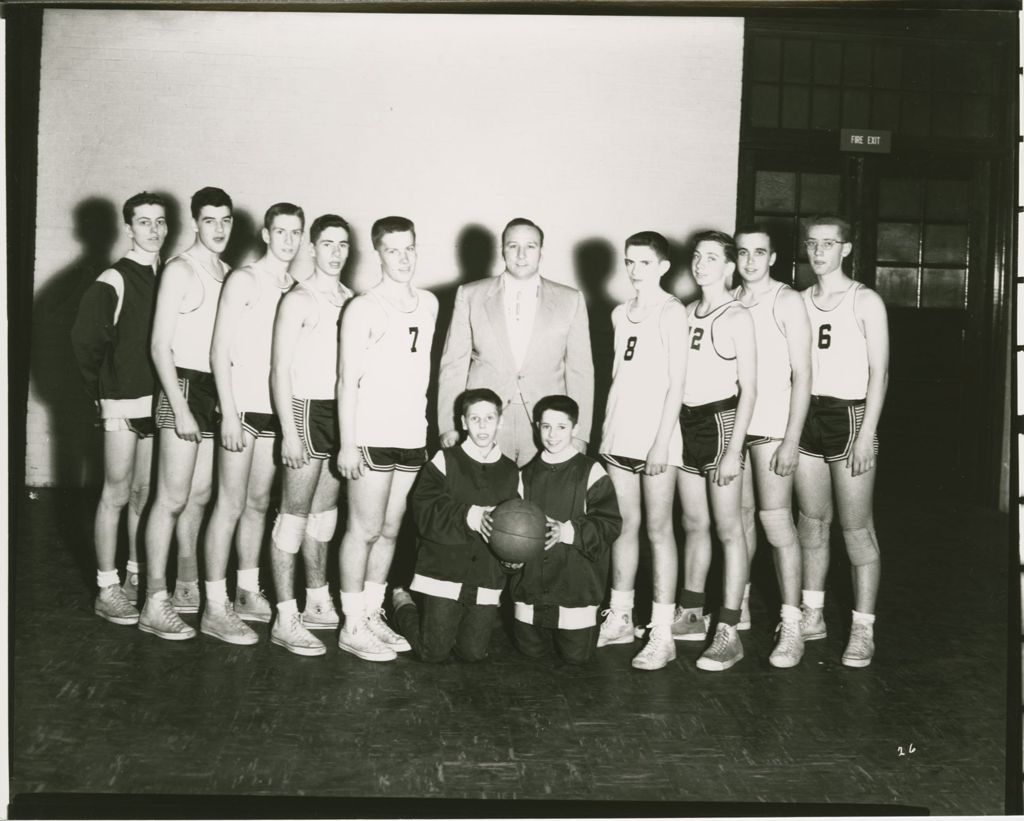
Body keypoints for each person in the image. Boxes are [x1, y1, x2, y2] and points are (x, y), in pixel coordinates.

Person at [199, 203, 304, 645]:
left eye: (295, 232)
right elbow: (218, 350)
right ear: (265, 234)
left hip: (275, 413)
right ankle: (214, 605)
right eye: (280, 231)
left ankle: (245, 589)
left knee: (259, 505)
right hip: (240, 410)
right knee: (229, 504)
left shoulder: (299, 288)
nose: (288, 240)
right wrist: (229, 410)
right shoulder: (244, 279)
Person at [336, 216, 438, 661]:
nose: (403, 258)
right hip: (371, 434)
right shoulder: (363, 306)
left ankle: (374, 611)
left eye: (409, 248)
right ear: (377, 253)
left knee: (392, 529)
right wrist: (347, 442)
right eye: (394, 250)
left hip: (411, 434)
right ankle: (351, 621)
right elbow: (345, 381)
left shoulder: (431, 303)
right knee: (364, 528)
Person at [795, 215, 888, 668]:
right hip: (807, 415)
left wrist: (867, 433)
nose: (819, 252)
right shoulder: (797, 300)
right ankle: (812, 614)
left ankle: (862, 628)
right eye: (812, 243)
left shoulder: (864, 300)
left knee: (857, 530)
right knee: (811, 522)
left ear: (846, 249)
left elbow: (880, 372)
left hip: (849, 417)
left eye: (829, 244)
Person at [140, 187, 233, 640]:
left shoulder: (228, 272)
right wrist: (179, 409)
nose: (219, 229)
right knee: (171, 498)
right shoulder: (180, 269)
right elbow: (159, 346)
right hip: (181, 385)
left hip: (214, 389)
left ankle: (185, 586)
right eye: (210, 220)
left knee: (199, 497)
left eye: (226, 220)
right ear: (195, 222)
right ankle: (153, 602)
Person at [71, 191, 167, 625]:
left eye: (160, 221)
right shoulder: (114, 278)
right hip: (122, 401)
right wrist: (103, 390)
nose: (154, 229)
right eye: (144, 222)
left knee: (143, 494)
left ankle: (133, 576)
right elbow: (84, 341)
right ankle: (107, 587)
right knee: (115, 492)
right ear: (128, 228)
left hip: (155, 401)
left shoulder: (167, 274)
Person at [594, 232, 689, 672]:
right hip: (619, 436)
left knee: (658, 530)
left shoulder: (672, 313)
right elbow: (620, 379)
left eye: (644, 263)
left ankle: (663, 633)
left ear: (663, 267)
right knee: (624, 527)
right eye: (629, 262)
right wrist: (608, 433)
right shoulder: (618, 313)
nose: (634, 270)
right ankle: (620, 616)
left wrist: (660, 442)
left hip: (657, 441)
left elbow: (677, 385)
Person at [437, 218, 594, 466]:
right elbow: (453, 365)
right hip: (486, 419)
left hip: (547, 422)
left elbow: (580, 371)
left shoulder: (571, 299)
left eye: (530, 246)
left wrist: (581, 432)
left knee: (541, 502)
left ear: (541, 251)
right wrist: (449, 425)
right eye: (513, 246)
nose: (521, 255)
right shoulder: (469, 294)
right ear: (502, 250)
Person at [267, 214, 353, 656]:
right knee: (293, 517)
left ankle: (317, 598)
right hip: (304, 409)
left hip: (340, 413)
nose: (336, 252)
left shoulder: (351, 299)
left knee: (325, 515)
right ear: (312, 248)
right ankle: (285, 615)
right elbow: (279, 369)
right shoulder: (298, 299)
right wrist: (288, 431)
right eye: (328, 244)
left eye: (343, 244)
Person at [673, 231, 757, 672]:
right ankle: (690, 613)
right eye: (697, 256)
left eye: (712, 258)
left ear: (729, 268)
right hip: (687, 423)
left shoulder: (738, 316)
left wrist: (734, 449)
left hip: (722, 423)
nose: (701, 264)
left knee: (729, 528)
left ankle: (729, 626)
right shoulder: (686, 312)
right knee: (693, 523)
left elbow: (752, 389)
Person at [391, 389, 519, 662]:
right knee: (433, 652)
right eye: (475, 418)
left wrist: (514, 557)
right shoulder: (445, 459)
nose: (482, 426)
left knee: (473, 654)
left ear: (501, 421)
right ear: (463, 422)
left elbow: (519, 526)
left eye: (489, 418)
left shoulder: (511, 471)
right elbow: (422, 509)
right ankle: (402, 602)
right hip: (443, 571)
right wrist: (469, 516)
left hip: (485, 575)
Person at [733, 225, 812, 668]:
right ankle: (738, 604)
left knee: (776, 522)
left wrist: (791, 439)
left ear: (773, 257)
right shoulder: (729, 299)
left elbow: (803, 375)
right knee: (739, 519)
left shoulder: (787, 300)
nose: (749, 261)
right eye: (742, 252)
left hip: (772, 428)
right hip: (734, 427)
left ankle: (792, 620)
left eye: (759, 252)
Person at [507, 395, 621, 665]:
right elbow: (509, 530)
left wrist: (567, 532)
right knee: (530, 657)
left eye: (561, 427)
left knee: (576, 659)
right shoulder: (525, 474)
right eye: (546, 426)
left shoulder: (591, 471)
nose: (552, 434)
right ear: (537, 427)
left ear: (575, 429)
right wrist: (508, 555)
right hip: (531, 590)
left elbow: (610, 523)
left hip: (575, 589)